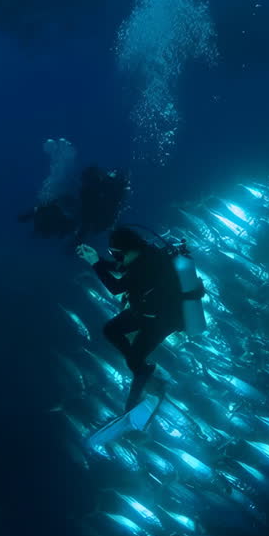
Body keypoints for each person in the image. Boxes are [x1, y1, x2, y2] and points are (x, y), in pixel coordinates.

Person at [76, 226, 185, 412]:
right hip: (147, 312)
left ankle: (145, 385)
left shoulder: (144, 266)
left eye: (115, 253)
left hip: (163, 320)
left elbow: (116, 287)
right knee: (111, 330)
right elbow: (120, 267)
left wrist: (95, 263)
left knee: (134, 359)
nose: (114, 256)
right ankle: (143, 370)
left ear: (126, 250)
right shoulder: (145, 253)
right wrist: (98, 260)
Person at [76, 165, 129, 242]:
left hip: (106, 218)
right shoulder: (86, 192)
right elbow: (85, 215)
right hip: (99, 219)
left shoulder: (110, 184)